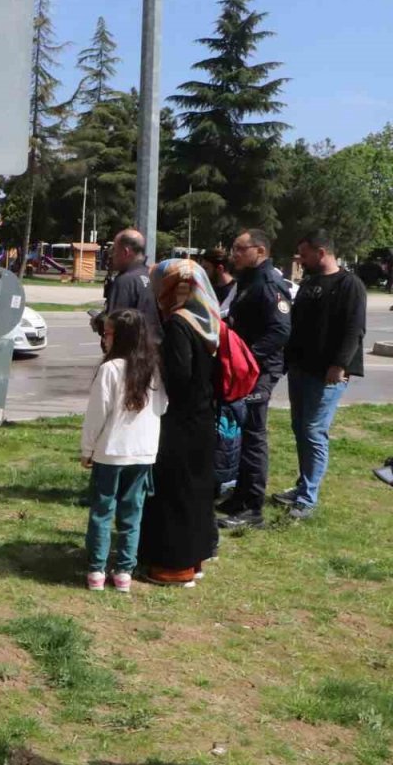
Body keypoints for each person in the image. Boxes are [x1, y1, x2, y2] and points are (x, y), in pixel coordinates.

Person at [138, 259, 220, 587]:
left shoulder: (178, 324)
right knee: (197, 492)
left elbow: (179, 377)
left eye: (161, 282)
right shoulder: (207, 321)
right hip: (202, 418)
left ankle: (174, 567)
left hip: (181, 422)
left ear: (176, 287)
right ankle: (195, 558)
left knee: (176, 492)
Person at [274, 230, 366, 520]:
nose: (300, 260)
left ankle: (308, 499)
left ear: (321, 252)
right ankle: (303, 486)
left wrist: (339, 365)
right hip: (302, 369)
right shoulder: (311, 282)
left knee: (314, 431)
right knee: (300, 428)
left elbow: (354, 329)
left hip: (328, 374)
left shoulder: (349, 284)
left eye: (304, 254)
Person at [80, 308, 167, 593]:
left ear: (120, 336)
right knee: (133, 513)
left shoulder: (109, 369)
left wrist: (87, 448)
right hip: (143, 451)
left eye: (107, 333)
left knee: (102, 511)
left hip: (111, 450)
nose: (103, 338)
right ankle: (124, 573)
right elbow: (163, 407)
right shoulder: (154, 367)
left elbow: (97, 414)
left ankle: (96, 571)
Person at [219, 229, 292, 530]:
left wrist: (247, 356)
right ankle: (240, 496)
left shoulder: (270, 283)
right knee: (241, 430)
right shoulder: (248, 281)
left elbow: (279, 331)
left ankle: (252, 507)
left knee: (253, 436)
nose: (234, 254)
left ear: (259, 251)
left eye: (239, 248)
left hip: (260, 371)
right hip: (245, 369)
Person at [92, 229, 161, 343]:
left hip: (132, 353)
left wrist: (99, 322)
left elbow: (115, 324)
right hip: (154, 351)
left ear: (125, 252)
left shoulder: (125, 281)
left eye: (115, 251)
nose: (112, 256)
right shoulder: (152, 276)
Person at [200, 248, 238, 319]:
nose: (203, 273)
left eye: (206, 268)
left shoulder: (237, 291)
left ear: (220, 269)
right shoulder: (205, 290)